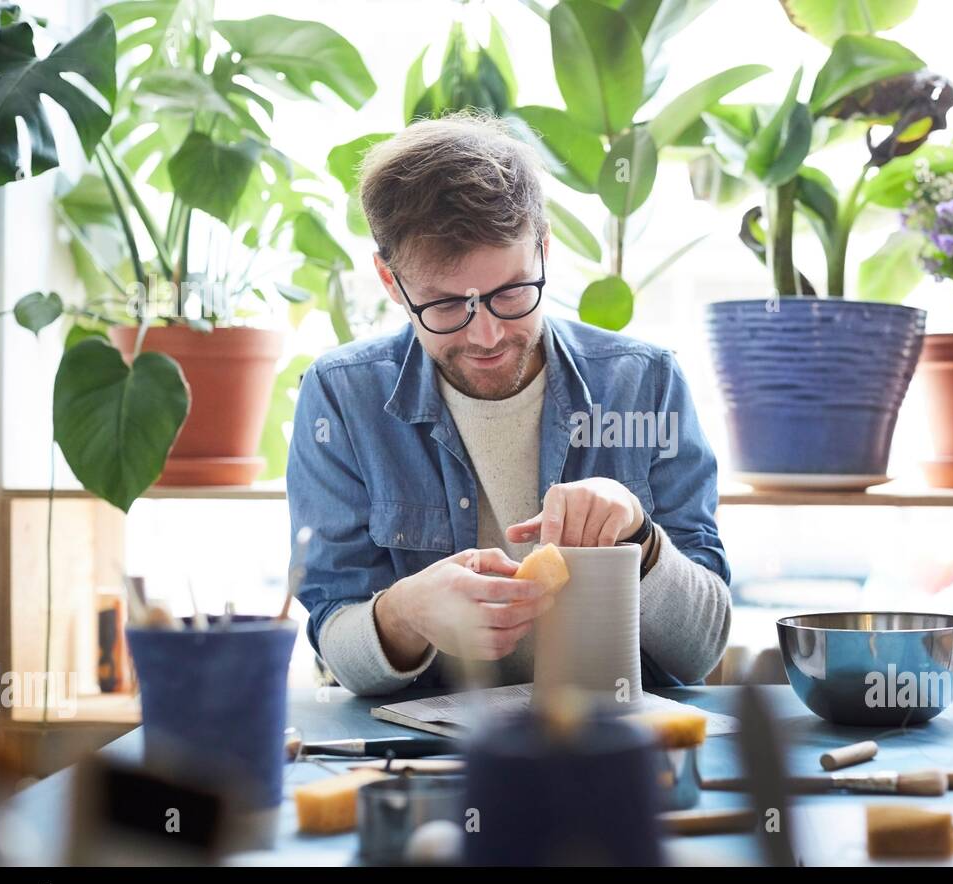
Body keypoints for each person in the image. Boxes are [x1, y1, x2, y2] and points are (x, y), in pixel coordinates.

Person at [286, 113, 731, 696]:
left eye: (512, 293)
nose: (488, 336)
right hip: (430, 762)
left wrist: (641, 540)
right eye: (445, 306)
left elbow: (700, 649)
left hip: (614, 748)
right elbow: (335, 640)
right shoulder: (344, 398)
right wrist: (405, 613)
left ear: (543, 249)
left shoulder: (644, 384)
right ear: (391, 282)